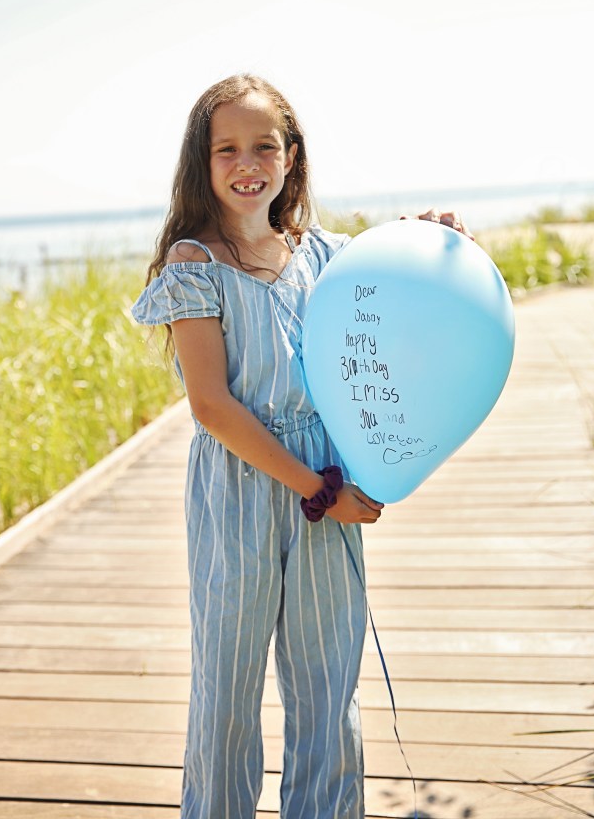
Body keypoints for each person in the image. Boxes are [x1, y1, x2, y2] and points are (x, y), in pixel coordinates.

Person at [131, 74, 472, 819]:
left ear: (291, 157)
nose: (247, 163)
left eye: (264, 146)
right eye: (227, 149)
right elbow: (212, 406)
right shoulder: (195, 264)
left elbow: (393, 283)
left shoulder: (324, 257)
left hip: (326, 483)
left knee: (328, 687)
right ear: (202, 163)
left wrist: (433, 237)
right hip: (244, 490)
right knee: (226, 687)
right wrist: (319, 490)